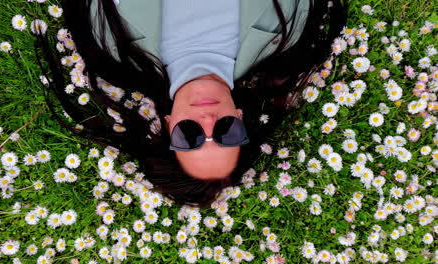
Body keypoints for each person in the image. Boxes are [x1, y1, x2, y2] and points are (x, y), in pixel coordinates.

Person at [34, 0, 348, 207]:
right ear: (239, 117)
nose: (208, 119)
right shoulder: (283, 35)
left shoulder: (112, 44)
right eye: (227, 132)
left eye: (190, 136)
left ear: (168, 126)